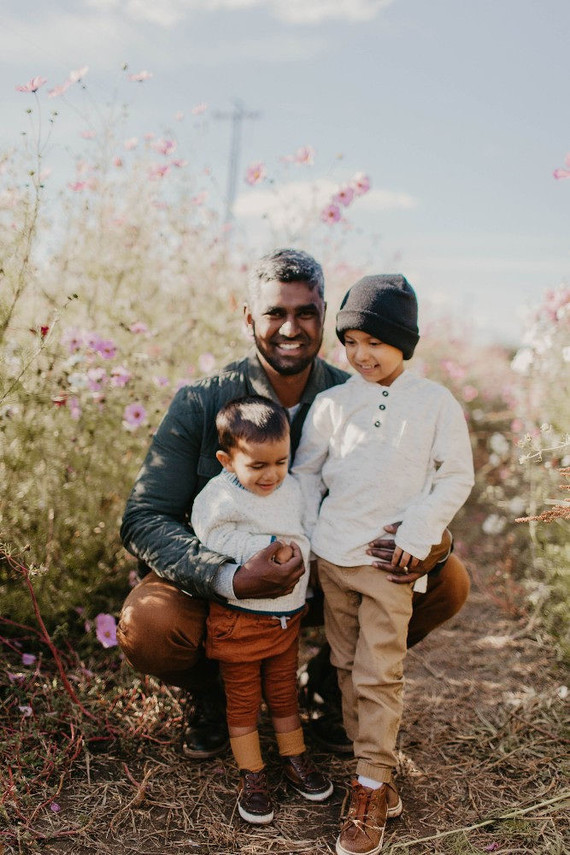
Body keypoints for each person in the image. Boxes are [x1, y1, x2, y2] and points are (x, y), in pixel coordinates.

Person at [117, 249, 471, 819]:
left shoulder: (351, 395)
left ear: (325, 314)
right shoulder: (202, 400)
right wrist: (226, 575)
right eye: (274, 312)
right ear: (247, 317)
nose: (290, 327)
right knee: (151, 623)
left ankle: (331, 688)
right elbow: (143, 517)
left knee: (448, 579)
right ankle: (214, 695)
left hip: (334, 576)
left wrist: (430, 542)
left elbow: (427, 483)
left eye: (306, 313)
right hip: (225, 595)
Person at [291, 274, 475, 855]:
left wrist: (418, 534)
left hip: (391, 565)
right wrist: (309, 538)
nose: (362, 354)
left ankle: (369, 783)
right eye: (352, 341)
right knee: (344, 666)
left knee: (379, 669)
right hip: (334, 558)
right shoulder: (331, 404)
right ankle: (377, 766)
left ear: (405, 343)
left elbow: (456, 475)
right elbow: (305, 475)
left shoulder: (433, 403)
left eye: (377, 341)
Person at [191, 394, 332, 823]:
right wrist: (266, 548)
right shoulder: (218, 497)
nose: (271, 475)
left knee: (284, 694)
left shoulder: (291, 489)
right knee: (244, 700)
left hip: (286, 618)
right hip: (240, 619)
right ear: (227, 460)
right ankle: (252, 773)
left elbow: (305, 531)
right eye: (257, 466)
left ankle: (294, 757)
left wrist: (297, 552)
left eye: (280, 462)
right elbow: (212, 538)